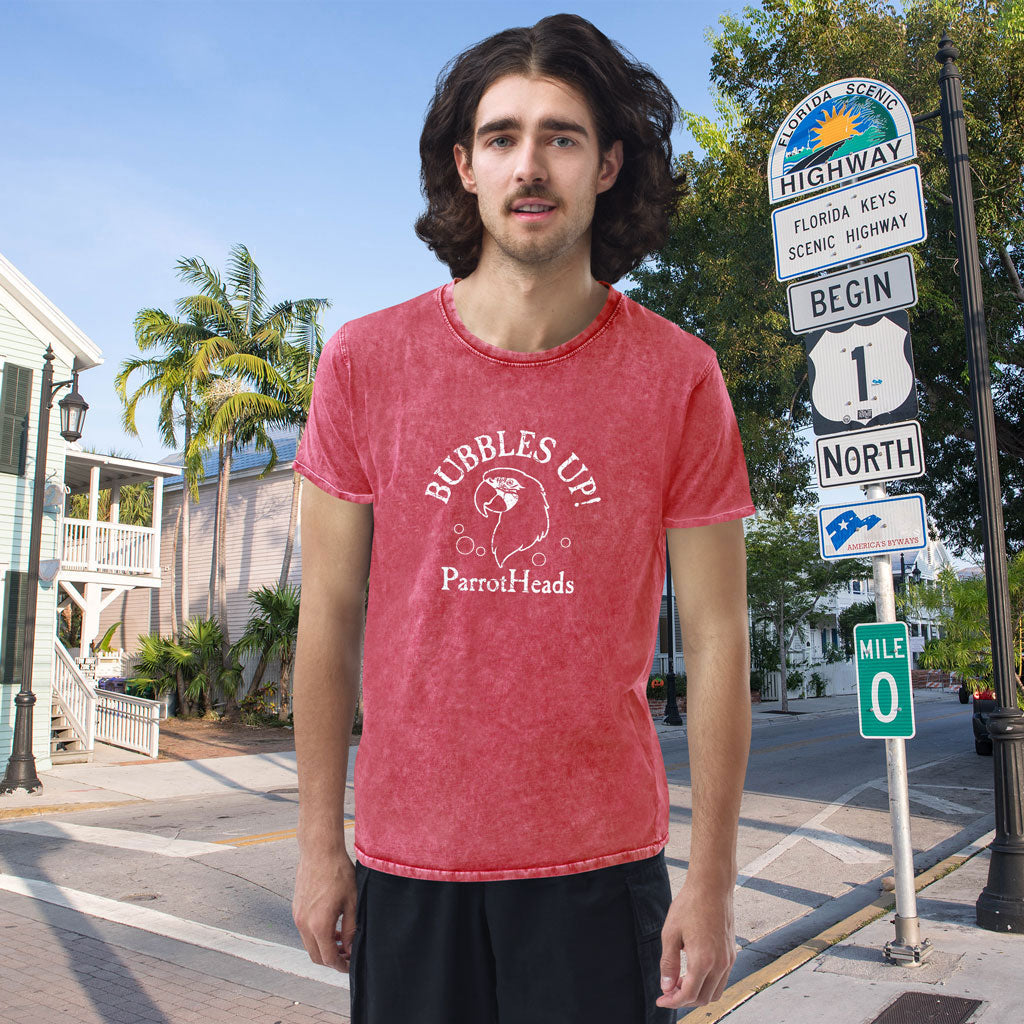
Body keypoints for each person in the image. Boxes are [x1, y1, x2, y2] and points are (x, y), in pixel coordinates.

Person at [291, 13, 755, 1023]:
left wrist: (712, 880)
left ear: (607, 165)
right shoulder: (365, 364)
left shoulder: (680, 376)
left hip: (600, 867)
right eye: (502, 136)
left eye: (562, 135)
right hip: (410, 866)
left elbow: (718, 638)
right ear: (464, 165)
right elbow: (326, 614)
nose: (529, 164)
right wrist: (319, 843)